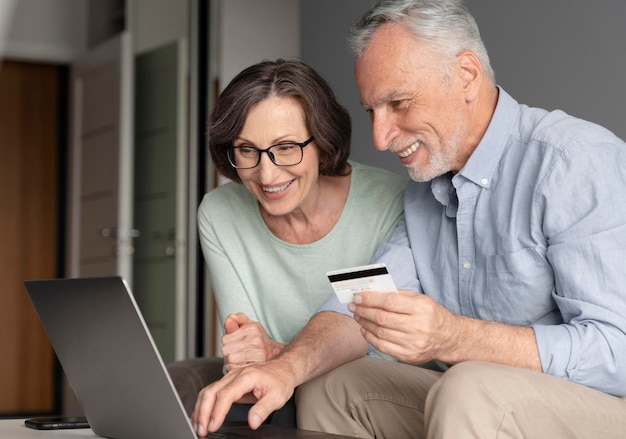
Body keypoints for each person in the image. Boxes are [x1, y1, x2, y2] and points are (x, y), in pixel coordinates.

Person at [190, 1, 626, 438]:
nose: (380, 138)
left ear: (467, 75)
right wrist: (286, 368)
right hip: (479, 399)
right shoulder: (425, 191)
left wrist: (454, 337)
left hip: (601, 406)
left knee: (467, 387)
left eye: (398, 103)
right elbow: (358, 304)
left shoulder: (572, 161)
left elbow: (617, 350)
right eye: (372, 112)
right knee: (335, 385)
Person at [189, 58, 406, 423]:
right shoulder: (220, 213)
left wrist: (284, 358)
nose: (267, 173)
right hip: (283, 394)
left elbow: (383, 348)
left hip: (368, 390)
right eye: (246, 150)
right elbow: (246, 360)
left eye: (286, 147)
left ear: (323, 140)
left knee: (334, 382)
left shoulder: (388, 201)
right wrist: (262, 361)